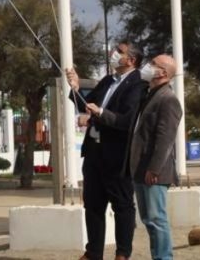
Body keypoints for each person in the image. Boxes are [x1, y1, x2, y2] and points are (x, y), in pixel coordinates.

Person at [66, 41, 143, 260]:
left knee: (122, 206)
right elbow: (86, 104)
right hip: (94, 153)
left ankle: (122, 253)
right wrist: (76, 88)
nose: (113, 53)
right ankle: (93, 253)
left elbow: (127, 120)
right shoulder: (108, 80)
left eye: (120, 51)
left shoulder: (138, 85)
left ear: (131, 60)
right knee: (93, 204)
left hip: (117, 155)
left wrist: (99, 113)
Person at [126, 54, 182, 260]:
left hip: (153, 172)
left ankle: (163, 257)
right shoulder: (150, 94)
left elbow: (165, 139)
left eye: (153, 64)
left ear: (163, 73)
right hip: (140, 169)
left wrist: (154, 169)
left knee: (157, 219)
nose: (148, 66)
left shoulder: (168, 99)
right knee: (149, 219)